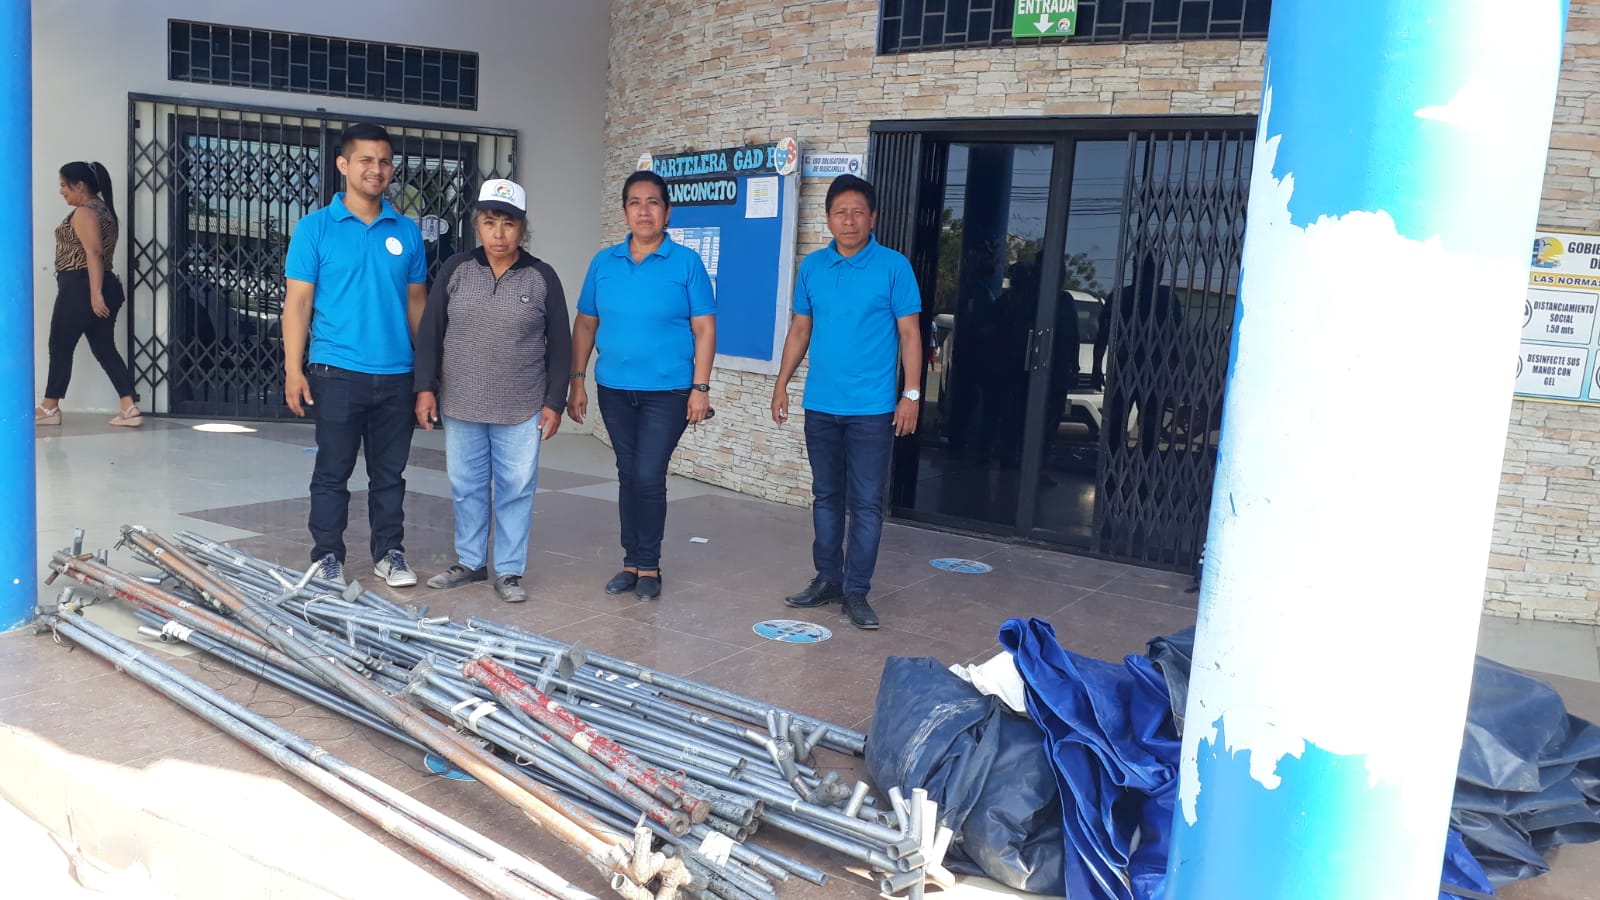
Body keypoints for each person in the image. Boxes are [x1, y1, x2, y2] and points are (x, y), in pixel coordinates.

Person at [772, 175, 924, 630]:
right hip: (821, 404)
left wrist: (911, 394)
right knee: (825, 496)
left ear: (872, 217)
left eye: (858, 212)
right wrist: (781, 384)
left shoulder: (894, 267)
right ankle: (828, 579)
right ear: (828, 219)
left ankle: (856, 591)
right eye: (841, 212)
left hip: (872, 410)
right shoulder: (813, 268)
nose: (850, 220)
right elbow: (801, 329)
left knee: (866, 503)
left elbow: (910, 333)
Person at [281, 123, 427, 589]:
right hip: (337, 371)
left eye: (384, 161)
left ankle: (390, 554)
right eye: (366, 160)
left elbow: (417, 305)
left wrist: (427, 374)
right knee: (332, 471)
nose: (376, 169)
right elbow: (298, 303)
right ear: (343, 165)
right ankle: (327, 556)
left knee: (390, 475)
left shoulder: (407, 232)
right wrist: (293, 369)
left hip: (398, 374)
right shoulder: (315, 228)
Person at [414, 179, 572, 603]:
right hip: (461, 402)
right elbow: (431, 332)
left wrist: (554, 402)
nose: (498, 234)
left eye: (508, 224)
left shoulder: (542, 277)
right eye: (489, 223)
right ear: (476, 226)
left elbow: (561, 345)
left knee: (515, 489)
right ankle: (470, 562)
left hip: (522, 405)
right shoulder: (456, 270)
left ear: (522, 228)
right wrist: (425, 388)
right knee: (465, 485)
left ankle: (509, 571)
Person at [568, 170, 716, 602]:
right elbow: (585, 324)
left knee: (649, 474)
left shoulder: (686, 263)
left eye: (653, 202)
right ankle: (630, 562)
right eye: (635, 202)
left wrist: (701, 387)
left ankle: (649, 564)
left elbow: (705, 329)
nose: (644, 210)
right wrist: (577, 380)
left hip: (668, 391)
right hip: (614, 389)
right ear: (625, 212)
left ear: (667, 212)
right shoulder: (604, 263)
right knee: (627, 472)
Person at [36, 161, 141, 427]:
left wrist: (95, 293)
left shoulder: (85, 212)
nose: (61, 191)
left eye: (64, 185)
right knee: (104, 348)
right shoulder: (105, 210)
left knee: (60, 344)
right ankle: (128, 406)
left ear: (80, 185)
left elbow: (94, 252)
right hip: (101, 285)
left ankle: (50, 407)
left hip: (81, 286)